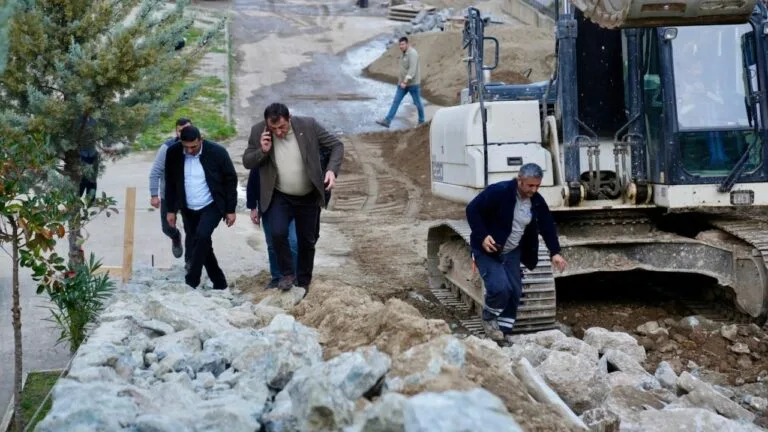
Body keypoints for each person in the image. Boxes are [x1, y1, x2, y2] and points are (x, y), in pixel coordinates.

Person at [242, 103, 344, 291]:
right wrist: (262, 150)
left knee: (307, 241)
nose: (278, 132)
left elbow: (337, 145)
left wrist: (331, 170)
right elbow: (247, 162)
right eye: (273, 128)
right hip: (280, 195)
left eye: (282, 127)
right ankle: (287, 274)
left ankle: (304, 282)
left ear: (289, 118)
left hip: (308, 195)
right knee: (277, 233)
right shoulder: (258, 131)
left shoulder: (308, 125)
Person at [465, 163, 567, 343]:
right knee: (500, 288)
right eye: (530, 185)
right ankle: (489, 319)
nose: (534, 190)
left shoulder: (536, 200)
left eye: (537, 186)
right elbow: (472, 209)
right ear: (520, 180)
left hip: (511, 251)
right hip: (489, 249)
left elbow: (547, 225)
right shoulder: (500, 191)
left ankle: (503, 331)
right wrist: (482, 236)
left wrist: (555, 252)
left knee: (514, 291)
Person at [164, 126, 238, 290]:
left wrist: (230, 209)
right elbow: (170, 183)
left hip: (212, 204)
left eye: (194, 147)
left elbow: (230, 180)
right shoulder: (173, 153)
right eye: (186, 147)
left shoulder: (217, 152)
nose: (190, 150)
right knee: (202, 243)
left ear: (201, 140)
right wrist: (171, 210)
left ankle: (192, 280)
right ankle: (220, 283)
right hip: (188, 207)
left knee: (202, 236)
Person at [246, 167, 299, 289]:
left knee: (293, 242)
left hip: (292, 205)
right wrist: (253, 208)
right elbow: (253, 181)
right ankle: (276, 277)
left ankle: (294, 276)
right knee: (272, 244)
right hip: (268, 206)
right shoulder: (262, 159)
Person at [149, 118, 192, 262]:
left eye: (187, 129)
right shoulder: (167, 148)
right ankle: (175, 237)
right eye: (180, 131)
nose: (184, 133)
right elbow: (155, 171)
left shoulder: (197, 147)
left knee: (191, 230)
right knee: (167, 228)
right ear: (176, 132)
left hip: (189, 196)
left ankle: (190, 262)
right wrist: (154, 194)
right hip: (169, 194)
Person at [376, 36, 425, 128]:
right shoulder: (404, 53)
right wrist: (401, 82)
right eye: (400, 45)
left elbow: (412, 70)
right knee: (396, 101)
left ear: (407, 44)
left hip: (412, 84)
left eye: (403, 44)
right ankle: (387, 121)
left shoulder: (412, 54)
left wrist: (405, 82)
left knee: (417, 103)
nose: (401, 46)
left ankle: (422, 121)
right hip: (402, 84)